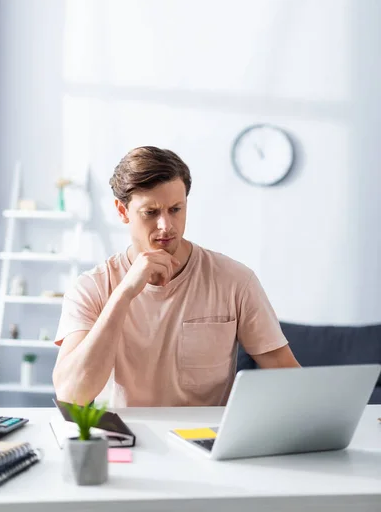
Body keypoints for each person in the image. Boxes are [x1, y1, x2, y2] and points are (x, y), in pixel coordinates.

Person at [53, 146, 299, 407]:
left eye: (175, 209)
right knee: (115, 451)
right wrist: (124, 293)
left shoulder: (235, 281)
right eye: (151, 212)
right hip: (120, 443)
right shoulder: (91, 287)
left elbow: (286, 376)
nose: (166, 226)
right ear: (123, 212)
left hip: (203, 441)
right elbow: (72, 395)